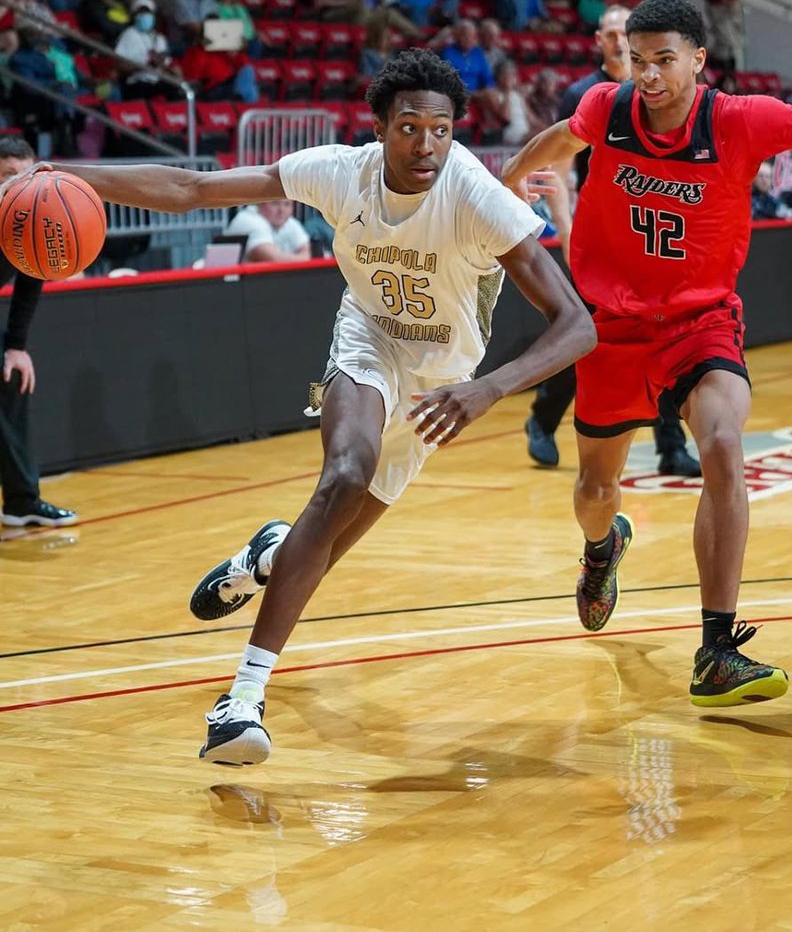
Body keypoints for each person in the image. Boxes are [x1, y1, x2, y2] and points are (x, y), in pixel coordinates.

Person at [16, 49, 594, 764]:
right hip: (367, 341)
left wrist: (489, 388)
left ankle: (268, 553)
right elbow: (193, 188)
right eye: (410, 128)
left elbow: (578, 325)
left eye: (441, 130)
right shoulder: (340, 171)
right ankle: (241, 701)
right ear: (379, 128)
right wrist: (67, 174)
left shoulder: (476, 196)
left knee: (320, 551)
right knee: (344, 474)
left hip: (443, 380)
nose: (427, 145)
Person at [502, 0, 792, 707]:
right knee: (594, 495)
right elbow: (560, 139)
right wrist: (504, 183)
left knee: (724, 445)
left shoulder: (738, 119)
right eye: (639, 60)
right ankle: (603, 549)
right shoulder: (607, 107)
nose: (648, 75)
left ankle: (716, 650)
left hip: (699, 322)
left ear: (699, 60)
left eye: (664, 60)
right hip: (609, 329)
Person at [524, 5, 700, 479]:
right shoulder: (585, 94)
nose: (619, 41)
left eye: (626, 33)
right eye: (611, 34)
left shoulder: (663, 94)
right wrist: (567, 232)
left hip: (651, 239)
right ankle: (542, 419)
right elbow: (558, 169)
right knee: (585, 338)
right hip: (600, 242)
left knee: (663, 338)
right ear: (599, 41)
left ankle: (671, 447)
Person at [0, 136, 77, 535]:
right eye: (7, 175)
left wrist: (16, 347)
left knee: (11, 378)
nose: (18, 183)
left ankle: (22, 502)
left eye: (25, 174)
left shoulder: (30, 216)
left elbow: (31, 279)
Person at [225, 199, 310, 263]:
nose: (281, 210)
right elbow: (274, 260)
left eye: (287, 204)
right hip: (229, 280)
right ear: (260, 203)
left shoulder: (288, 222)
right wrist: (304, 258)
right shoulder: (248, 219)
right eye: (275, 203)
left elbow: (311, 252)